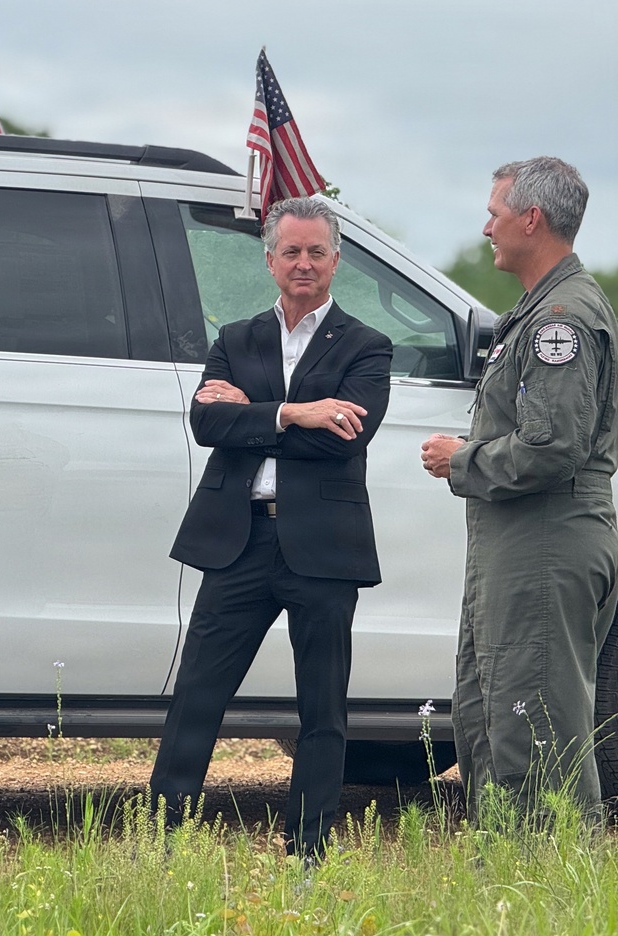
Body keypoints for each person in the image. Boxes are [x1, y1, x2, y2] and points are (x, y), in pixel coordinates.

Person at [149, 196, 393, 857]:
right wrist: (295, 413)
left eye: (317, 252)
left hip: (322, 548)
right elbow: (206, 426)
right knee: (197, 696)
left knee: (322, 711)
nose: (304, 263)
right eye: (292, 252)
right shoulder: (236, 338)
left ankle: (307, 849)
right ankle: (164, 841)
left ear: (336, 260)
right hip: (239, 539)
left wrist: (256, 416)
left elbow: (345, 438)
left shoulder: (368, 346)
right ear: (270, 260)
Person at [421, 157, 618, 823]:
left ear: (531, 218)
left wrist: (462, 460)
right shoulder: (538, 311)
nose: (487, 228)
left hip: (545, 539)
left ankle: (550, 889)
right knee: (491, 711)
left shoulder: (560, 317)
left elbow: (553, 445)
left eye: (496, 213)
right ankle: (507, 881)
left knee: (536, 723)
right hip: (519, 540)